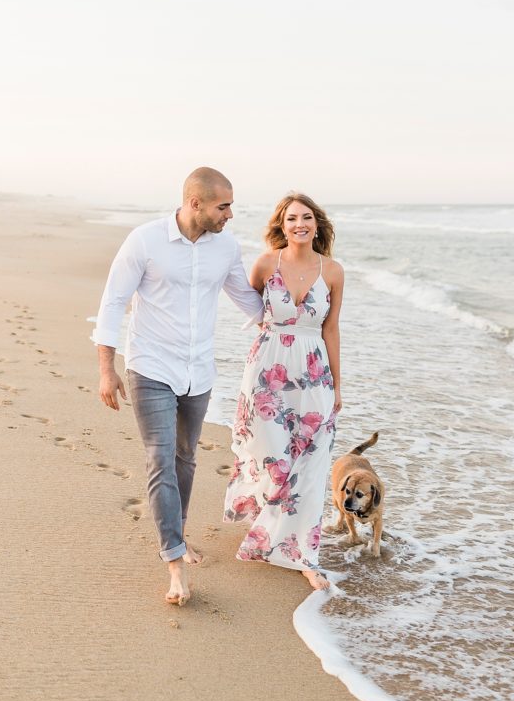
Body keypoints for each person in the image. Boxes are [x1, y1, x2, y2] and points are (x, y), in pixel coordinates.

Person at [94, 167, 265, 606]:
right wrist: (106, 369)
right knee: (159, 458)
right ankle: (174, 563)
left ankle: (180, 531)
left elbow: (246, 299)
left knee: (185, 458)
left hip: (198, 371)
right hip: (150, 366)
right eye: (223, 206)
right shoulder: (146, 241)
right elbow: (113, 301)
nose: (230, 214)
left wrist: (298, 323)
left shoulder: (225, 247)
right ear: (195, 204)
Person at [223, 193, 344, 591]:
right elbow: (249, 305)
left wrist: (337, 386)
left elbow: (331, 330)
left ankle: (303, 555)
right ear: (282, 224)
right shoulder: (264, 264)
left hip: (313, 375)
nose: (299, 224)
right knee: (269, 454)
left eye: (306, 217)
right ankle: (267, 524)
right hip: (266, 373)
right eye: (291, 218)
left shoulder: (333, 271)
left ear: (317, 223)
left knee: (310, 462)